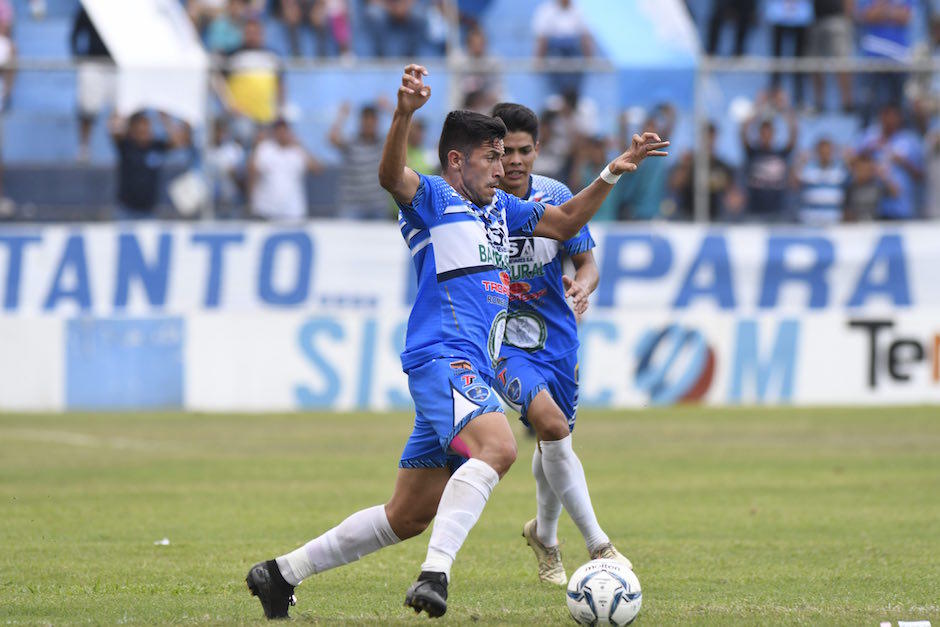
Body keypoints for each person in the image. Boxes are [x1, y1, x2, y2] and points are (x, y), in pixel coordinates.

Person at [244, 63, 668, 620]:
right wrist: (403, 114)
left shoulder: (501, 211)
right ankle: (435, 576)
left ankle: (279, 574)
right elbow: (391, 175)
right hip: (442, 359)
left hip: (470, 369)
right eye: (491, 157)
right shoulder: (434, 200)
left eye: (504, 156)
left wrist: (613, 172)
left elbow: (564, 222)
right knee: (500, 448)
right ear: (455, 162)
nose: (502, 167)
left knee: (407, 514)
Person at [489, 102, 630, 586]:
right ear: (491, 150)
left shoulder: (555, 194)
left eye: (523, 151)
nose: (514, 161)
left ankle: (544, 536)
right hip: (504, 343)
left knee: (557, 438)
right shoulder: (476, 204)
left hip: (559, 339)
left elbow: (586, 262)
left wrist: (582, 287)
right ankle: (599, 544)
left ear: (537, 150)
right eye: (504, 151)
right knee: (549, 424)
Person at [109, 111, 192, 219]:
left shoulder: (156, 147)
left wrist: (166, 120)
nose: (144, 130)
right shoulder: (126, 146)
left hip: (149, 212)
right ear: (133, 129)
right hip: (126, 211)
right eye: (140, 126)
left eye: (147, 126)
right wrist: (124, 108)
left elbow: (180, 141)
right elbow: (113, 128)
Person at [854, 102, 923, 219]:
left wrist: (903, 162)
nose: (889, 120)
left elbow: (920, 175)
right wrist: (868, 152)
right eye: (886, 116)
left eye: (893, 116)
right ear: (880, 117)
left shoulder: (910, 140)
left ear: (899, 118)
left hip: (902, 206)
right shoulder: (869, 137)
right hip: (875, 207)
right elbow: (853, 163)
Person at [222, 18, 283, 142]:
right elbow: (218, 80)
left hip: (266, 117)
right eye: (249, 33)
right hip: (241, 116)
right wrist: (229, 105)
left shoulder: (272, 56)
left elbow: (280, 84)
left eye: (255, 33)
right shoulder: (233, 56)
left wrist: (279, 110)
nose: (252, 37)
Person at [248, 118, 322, 221]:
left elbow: (317, 169)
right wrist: (252, 202)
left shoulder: (298, 151)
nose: (282, 134)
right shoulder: (265, 149)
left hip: (293, 212)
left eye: (284, 131)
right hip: (267, 211)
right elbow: (252, 173)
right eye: (279, 131)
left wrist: (302, 146)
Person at [740, 91, 799, 221]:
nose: (766, 135)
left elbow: (794, 133)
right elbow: (743, 131)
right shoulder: (752, 152)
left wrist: (784, 108)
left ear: (773, 134)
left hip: (777, 212)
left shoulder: (781, 154)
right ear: (759, 134)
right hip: (754, 212)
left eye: (769, 132)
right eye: (763, 132)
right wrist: (757, 107)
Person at [855, 0, 913, 123]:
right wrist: (893, 10)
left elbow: (905, 17)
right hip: (873, 57)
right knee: (870, 104)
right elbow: (867, 16)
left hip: (899, 58)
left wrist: (882, 10)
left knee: (900, 106)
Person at [329, 102, 391, 219]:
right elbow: (332, 138)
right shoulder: (351, 142)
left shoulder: (384, 144)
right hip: (351, 206)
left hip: (378, 206)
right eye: (366, 121)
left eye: (372, 121)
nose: (369, 125)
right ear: (360, 122)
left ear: (377, 123)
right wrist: (341, 116)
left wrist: (389, 109)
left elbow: (407, 132)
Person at [669, 122, 739, 221]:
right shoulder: (690, 162)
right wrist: (685, 167)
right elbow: (675, 185)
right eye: (706, 137)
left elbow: (734, 199)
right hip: (688, 218)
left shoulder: (722, 166)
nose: (709, 141)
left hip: (715, 219)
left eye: (712, 137)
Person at [70, 6, 114, 162]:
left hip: (117, 64)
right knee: (87, 109)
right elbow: (75, 33)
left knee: (122, 110)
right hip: (93, 61)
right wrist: (78, 57)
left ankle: (121, 150)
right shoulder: (90, 8)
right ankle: (84, 147)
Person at [532, 0, 593, 95]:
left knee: (574, 81)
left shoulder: (578, 10)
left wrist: (589, 59)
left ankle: (572, 96)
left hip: (573, 52)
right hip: (555, 52)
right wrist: (538, 60)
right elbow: (542, 39)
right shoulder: (546, 10)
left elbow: (585, 37)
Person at [766, 0, 814, 109]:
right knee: (776, 63)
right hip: (778, 14)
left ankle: (799, 99)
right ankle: (774, 99)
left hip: (801, 15)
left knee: (799, 63)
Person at [810, 0, 855, 112]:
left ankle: (847, 103)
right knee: (816, 64)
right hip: (817, 19)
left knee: (842, 63)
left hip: (838, 19)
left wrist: (847, 19)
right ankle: (819, 103)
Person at [794, 137, 849, 225]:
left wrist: (846, 158)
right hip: (809, 222)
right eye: (822, 151)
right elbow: (793, 184)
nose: (824, 154)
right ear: (816, 152)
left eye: (827, 151)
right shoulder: (807, 170)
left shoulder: (840, 171)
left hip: (833, 222)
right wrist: (801, 161)